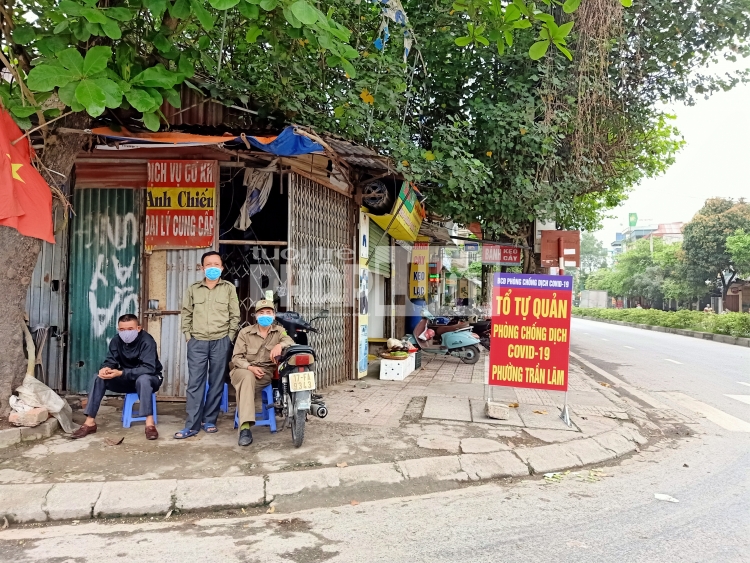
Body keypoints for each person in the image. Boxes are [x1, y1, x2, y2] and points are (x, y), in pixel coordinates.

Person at [175, 251, 240, 439]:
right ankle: (192, 425)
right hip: (197, 341)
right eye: (208, 265)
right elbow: (186, 313)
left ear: (222, 268)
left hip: (221, 340)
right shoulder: (193, 289)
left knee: (217, 381)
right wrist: (188, 336)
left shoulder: (228, 288)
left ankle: (209, 419)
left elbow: (234, 315)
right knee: (195, 383)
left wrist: (229, 337)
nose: (212, 268)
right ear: (202, 268)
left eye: (216, 264)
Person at [72, 314, 162, 440]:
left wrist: (121, 373)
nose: (126, 333)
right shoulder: (116, 340)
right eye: (122, 330)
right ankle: (89, 422)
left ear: (139, 328)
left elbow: (148, 368)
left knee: (144, 379)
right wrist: (106, 368)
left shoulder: (147, 341)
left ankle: (149, 424)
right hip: (127, 379)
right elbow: (110, 360)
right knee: (99, 377)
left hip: (150, 379)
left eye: (130, 329)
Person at [230, 299, 294, 446]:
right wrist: (250, 367)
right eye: (261, 313)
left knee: (249, 381)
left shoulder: (279, 331)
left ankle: (245, 426)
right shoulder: (245, 333)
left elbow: (290, 341)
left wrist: (280, 344)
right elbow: (236, 358)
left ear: (273, 315)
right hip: (241, 370)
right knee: (247, 377)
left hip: (263, 374)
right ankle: (245, 428)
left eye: (268, 312)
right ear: (256, 316)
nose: (265, 315)